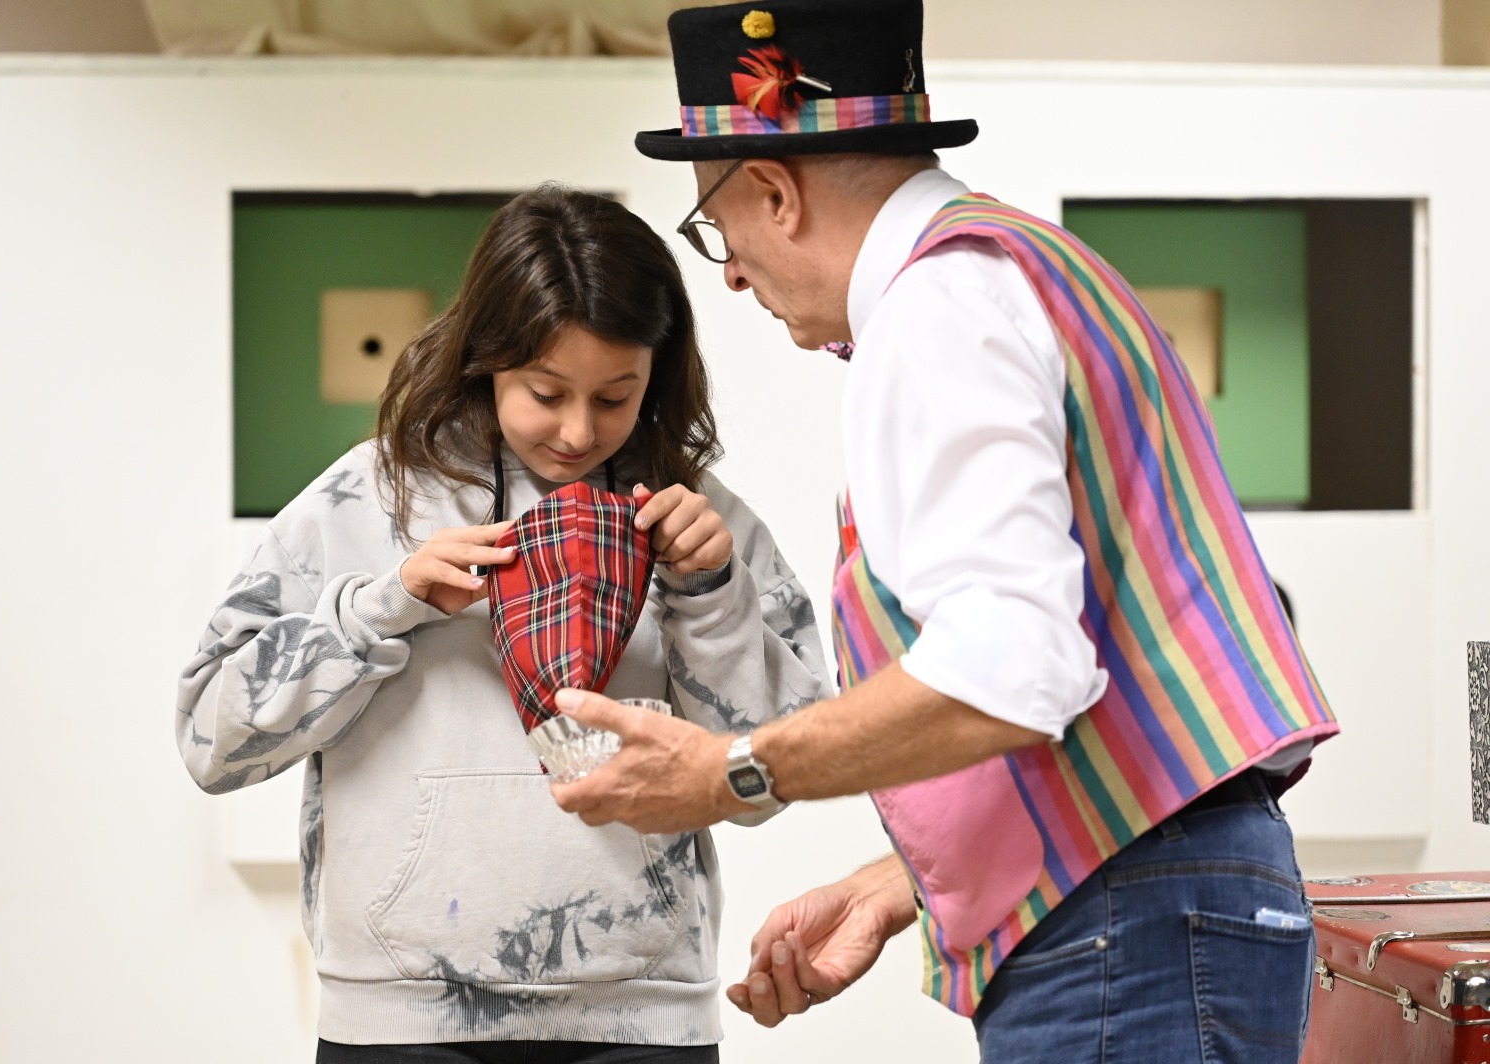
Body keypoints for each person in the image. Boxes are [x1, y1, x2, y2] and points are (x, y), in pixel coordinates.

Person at [545, 2, 1341, 1061]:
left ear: (774, 192)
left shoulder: (936, 310)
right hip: (1161, 901)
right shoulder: (1029, 267)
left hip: (1125, 933)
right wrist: (897, 881)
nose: (730, 273)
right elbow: (1090, 663)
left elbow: (1013, 666)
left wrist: (730, 768)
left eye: (716, 232)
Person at [176, 184, 831, 1063]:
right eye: (545, 391)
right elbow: (211, 742)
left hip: (645, 1021)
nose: (574, 430)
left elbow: (777, 776)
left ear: (658, 373)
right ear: (487, 358)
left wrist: (711, 591)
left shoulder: (704, 522)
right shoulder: (367, 499)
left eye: (615, 396)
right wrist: (385, 606)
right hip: (397, 1020)